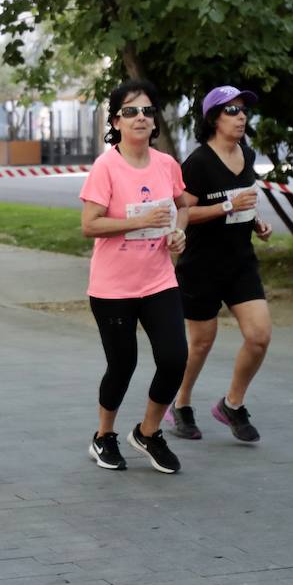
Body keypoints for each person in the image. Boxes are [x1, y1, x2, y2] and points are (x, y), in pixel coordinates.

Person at [79, 79, 190, 474]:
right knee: (122, 364)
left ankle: (148, 431)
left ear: (154, 119)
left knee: (176, 358)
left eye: (146, 110)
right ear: (116, 121)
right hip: (113, 287)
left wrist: (179, 232)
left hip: (159, 280)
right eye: (130, 111)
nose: (140, 117)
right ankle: (103, 435)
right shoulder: (106, 166)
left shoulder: (166, 164)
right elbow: (89, 225)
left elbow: (182, 206)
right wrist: (140, 220)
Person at [168, 86, 273, 443]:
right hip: (202, 265)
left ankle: (232, 404)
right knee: (200, 343)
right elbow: (184, 211)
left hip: (240, 261)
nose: (241, 116)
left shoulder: (246, 153)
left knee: (259, 337)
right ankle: (180, 404)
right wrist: (227, 207)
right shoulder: (197, 163)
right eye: (231, 110)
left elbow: (244, 198)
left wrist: (256, 221)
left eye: (243, 110)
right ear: (213, 118)